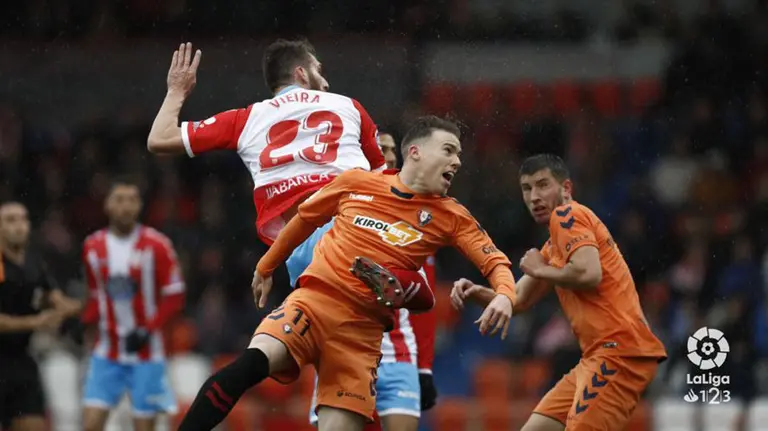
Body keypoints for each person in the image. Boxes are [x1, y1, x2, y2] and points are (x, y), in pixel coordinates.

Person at [177, 116, 517, 431]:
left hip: (361, 335)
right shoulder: (356, 183)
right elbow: (305, 220)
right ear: (415, 152)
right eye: (448, 150)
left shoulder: (450, 215)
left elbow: (495, 262)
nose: (457, 161)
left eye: (458, 153)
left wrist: (504, 294)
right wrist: (266, 266)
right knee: (251, 364)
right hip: (313, 304)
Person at [146, 39, 431, 311]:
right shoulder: (348, 106)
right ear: (301, 73)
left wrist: (176, 91)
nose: (326, 82)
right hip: (354, 223)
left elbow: (159, 139)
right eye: (319, 70)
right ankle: (385, 273)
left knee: (327, 336)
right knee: (419, 288)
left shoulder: (246, 119)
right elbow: (386, 179)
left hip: (299, 249)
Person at [451, 154, 667, 431]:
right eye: (527, 189)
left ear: (566, 189)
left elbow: (589, 274)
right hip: (595, 357)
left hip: (618, 352)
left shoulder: (568, 215)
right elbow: (517, 301)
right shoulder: (554, 245)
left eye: (543, 185)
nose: (534, 196)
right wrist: (476, 291)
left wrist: (540, 270)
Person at [304, 133, 438, 431]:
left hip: (397, 355)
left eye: (392, 150)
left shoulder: (417, 217)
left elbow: (424, 301)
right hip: (342, 354)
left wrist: (425, 367)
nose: (389, 156)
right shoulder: (338, 208)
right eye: (381, 149)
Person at [80, 180, 185, 431]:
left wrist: (148, 330)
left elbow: (175, 296)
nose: (125, 206)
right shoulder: (92, 247)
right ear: (107, 205)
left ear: (139, 206)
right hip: (107, 352)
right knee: (91, 425)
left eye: (131, 200)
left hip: (147, 354)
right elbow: (97, 297)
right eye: (119, 199)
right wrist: (82, 322)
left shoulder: (158, 245)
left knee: (144, 427)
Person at [0, 201, 82, 431]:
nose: (18, 226)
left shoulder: (35, 263)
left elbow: (57, 301)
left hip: (21, 360)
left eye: (23, 219)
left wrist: (91, 302)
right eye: (10, 220)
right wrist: (35, 322)